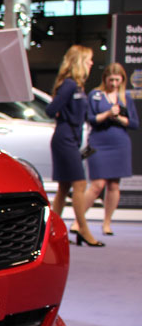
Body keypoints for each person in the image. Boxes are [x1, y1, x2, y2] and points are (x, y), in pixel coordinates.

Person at [46, 44, 103, 246]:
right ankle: (83, 230)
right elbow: (51, 110)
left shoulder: (77, 86)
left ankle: (50, 232)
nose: (91, 63)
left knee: (64, 187)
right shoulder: (69, 85)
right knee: (79, 184)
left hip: (71, 138)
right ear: (80, 61)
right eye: (89, 59)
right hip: (64, 138)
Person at [80, 63, 139, 235]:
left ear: (122, 80)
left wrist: (118, 117)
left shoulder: (126, 97)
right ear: (105, 79)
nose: (113, 83)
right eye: (111, 80)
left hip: (120, 144)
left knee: (114, 185)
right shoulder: (95, 95)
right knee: (97, 184)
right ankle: (79, 220)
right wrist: (107, 114)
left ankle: (107, 223)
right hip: (98, 143)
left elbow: (134, 123)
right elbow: (91, 118)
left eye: (117, 80)